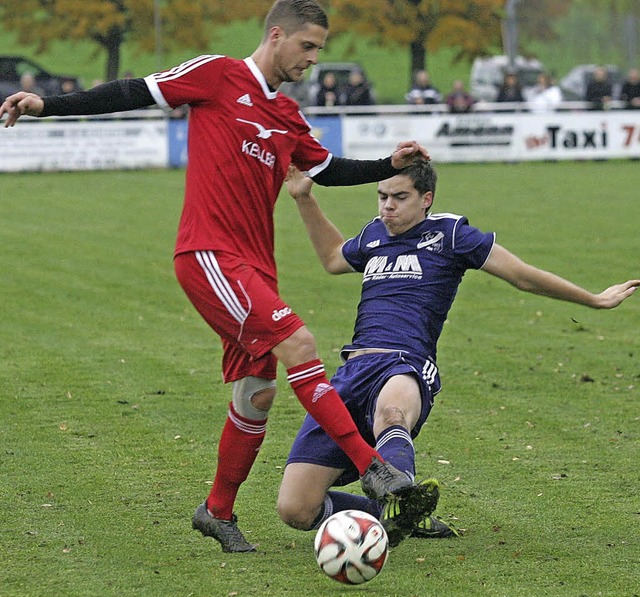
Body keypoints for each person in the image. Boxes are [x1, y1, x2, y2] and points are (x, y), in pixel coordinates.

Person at [0, 0, 430, 554]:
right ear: (277, 35)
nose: (314, 59)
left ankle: (217, 510)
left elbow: (328, 170)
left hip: (255, 266)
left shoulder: (287, 116)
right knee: (298, 341)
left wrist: (387, 165)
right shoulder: (218, 75)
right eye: (308, 46)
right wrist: (46, 104)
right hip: (208, 253)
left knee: (257, 393)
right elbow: (132, 90)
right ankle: (374, 469)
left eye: (319, 49)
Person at [278, 160, 639, 548]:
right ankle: (403, 513)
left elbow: (520, 274)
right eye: (382, 196)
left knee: (391, 414)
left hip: (405, 362)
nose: (387, 206)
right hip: (352, 371)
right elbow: (333, 257)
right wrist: (304, 199)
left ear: (426, 199)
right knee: (296, 509)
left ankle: (401, 497)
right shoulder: (373, 236)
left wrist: (593, 300)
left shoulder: (450, 234)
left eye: (400, 197)